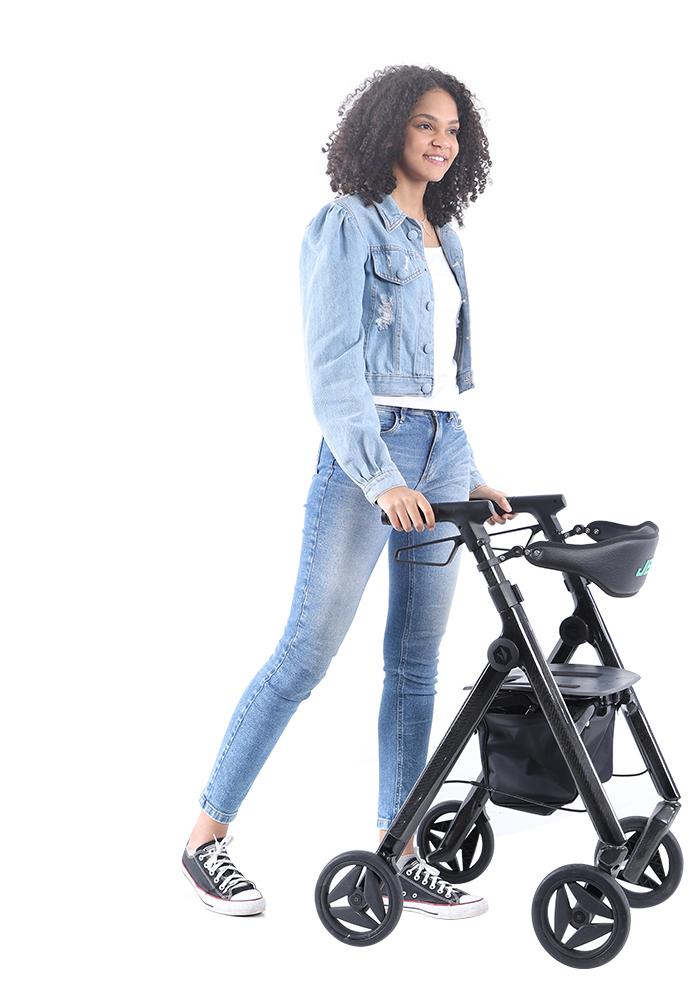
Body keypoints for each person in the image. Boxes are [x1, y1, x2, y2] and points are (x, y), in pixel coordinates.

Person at [181, 65, 511, 919]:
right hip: (371, 453)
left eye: (453, 129)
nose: (442, 141)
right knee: (307, 652)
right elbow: (333, 368)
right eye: (425, 125)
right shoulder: (346, 224)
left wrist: (468, 469)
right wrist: (379, 476)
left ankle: (400, 849)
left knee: (416, 662)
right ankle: (206, 839)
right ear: (388, 128)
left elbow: (442, 379)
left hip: (441, 449)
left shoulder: (447, 235)